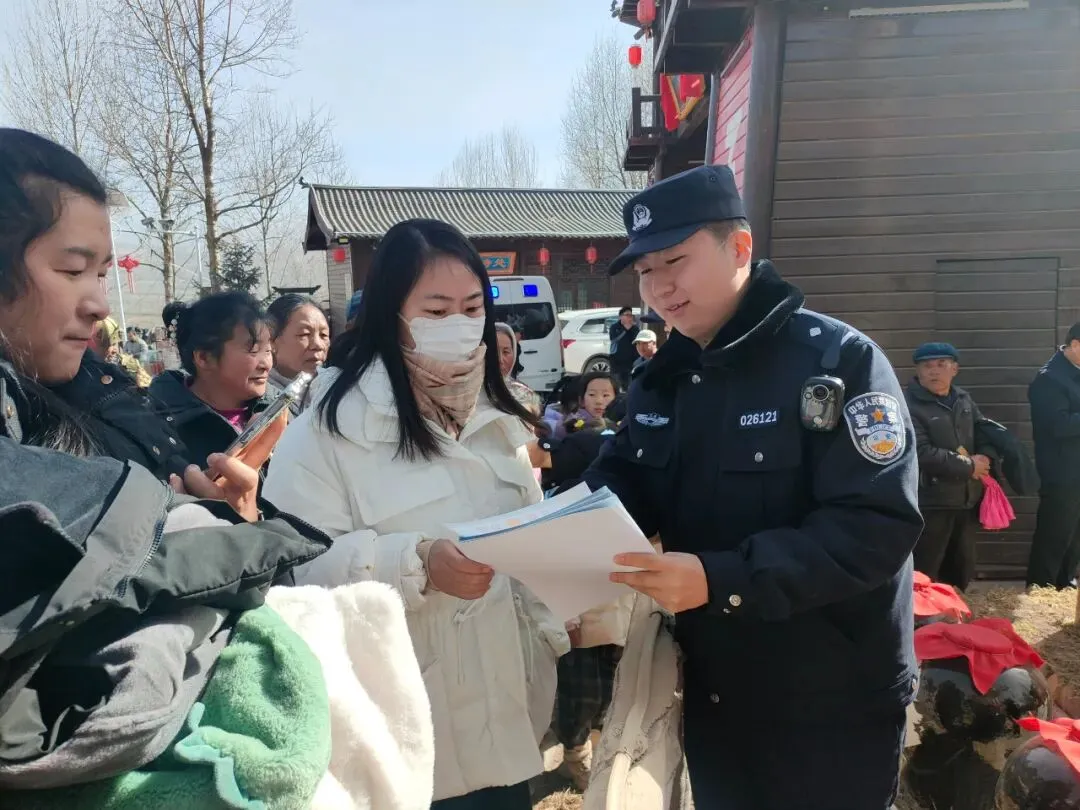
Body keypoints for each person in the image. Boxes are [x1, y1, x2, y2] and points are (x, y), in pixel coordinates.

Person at [584, 165, 922, 810]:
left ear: (739, 248)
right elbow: (625, 479)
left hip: (832, 699)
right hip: (718, 688)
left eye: (675, 261)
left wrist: (721, 580)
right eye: (645, 271)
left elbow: (876, 527)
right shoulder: (662, 379)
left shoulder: (837, 363)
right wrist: (556, 532)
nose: (659, 287)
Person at [262, 218, 568, 810]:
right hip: (402, 733)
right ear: (391, 313)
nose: (460, 324)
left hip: (506, 719)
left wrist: (556, 611)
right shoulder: (328, 430)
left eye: (472, 307)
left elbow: (524, 537)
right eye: (435, 310)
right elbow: (293, 570)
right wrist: (417, 564)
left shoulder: (497, 416)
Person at [149, 292, 276, 470]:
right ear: (204, 357)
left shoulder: (277, 409)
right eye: (253, 350)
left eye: (268, 350)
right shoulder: (162, 427)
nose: (266, 365)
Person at [904, 342, 989, 590]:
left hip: (966, 499)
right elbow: (921, 451)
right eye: (927, 366)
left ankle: (955, 609)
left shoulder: (963, 399)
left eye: (941, 365)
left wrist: (987, 456)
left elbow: (983, 431)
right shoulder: (907, 405)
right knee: (926, 569)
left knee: (961, 566)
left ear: (954, 369)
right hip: (931, 501)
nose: (934, 371)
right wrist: (969, 466)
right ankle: (924, 612)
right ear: (918, 371)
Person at [1027, 323, 1080, 589]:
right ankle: (1042, 587)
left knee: (1075, 534)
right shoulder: (1049, 378)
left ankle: (1065, 582)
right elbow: (1058, 425)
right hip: (1062, 471)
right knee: (1055, 533)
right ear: (1075, 345)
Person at [266, 293, 330, 415]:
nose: (318, 345)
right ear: (271, 339)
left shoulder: (334, 389)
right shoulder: (259, 399)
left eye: (324, 335)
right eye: (304, 334)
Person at [495, 321, 541, 414]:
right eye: (494, 352)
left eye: (506, 352)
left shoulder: (525, 395)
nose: (500, 359)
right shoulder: (470, 396)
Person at [608, 305, 639, 390]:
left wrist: (631, 329)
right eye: (627, 315)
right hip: (617, 362)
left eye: (631, 315)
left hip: (630, 363)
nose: (630, 317)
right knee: (615, 387)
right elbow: (614, 339)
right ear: (621, 316)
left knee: (629, 387)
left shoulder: (635, 328)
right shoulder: (614, 327)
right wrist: (625, 329)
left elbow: (637, 341)